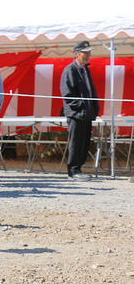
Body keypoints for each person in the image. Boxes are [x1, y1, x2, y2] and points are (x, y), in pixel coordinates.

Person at [60, 40, 99, 181]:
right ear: (76, 53)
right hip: (76, 113)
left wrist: (94, 108)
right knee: (76, 143)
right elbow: (67, 94)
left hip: (87, 113)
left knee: (84, 143)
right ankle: (73, 171)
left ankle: (78, 169)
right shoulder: (70, 70)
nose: (88, 55)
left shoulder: (85, 69)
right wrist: (82, 106)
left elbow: (90, 91)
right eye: (85, 52)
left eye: (89, 52)